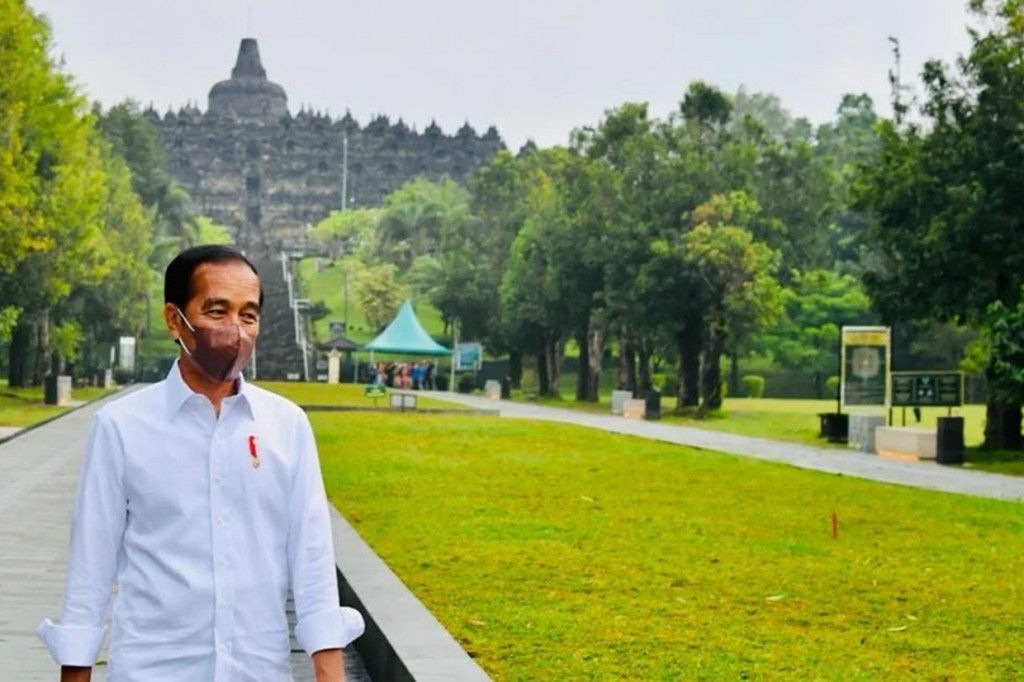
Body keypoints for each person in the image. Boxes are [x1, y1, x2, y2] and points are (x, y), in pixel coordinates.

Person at [38, 245, 363, 682]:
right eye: (216, 311)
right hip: (151, 671)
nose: (235, 330)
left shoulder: (286, 427)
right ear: (175, 319)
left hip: (257, 670)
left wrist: (330, 675)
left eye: (248, 315)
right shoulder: (121, 427)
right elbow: (89, 570)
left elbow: (312, 559)